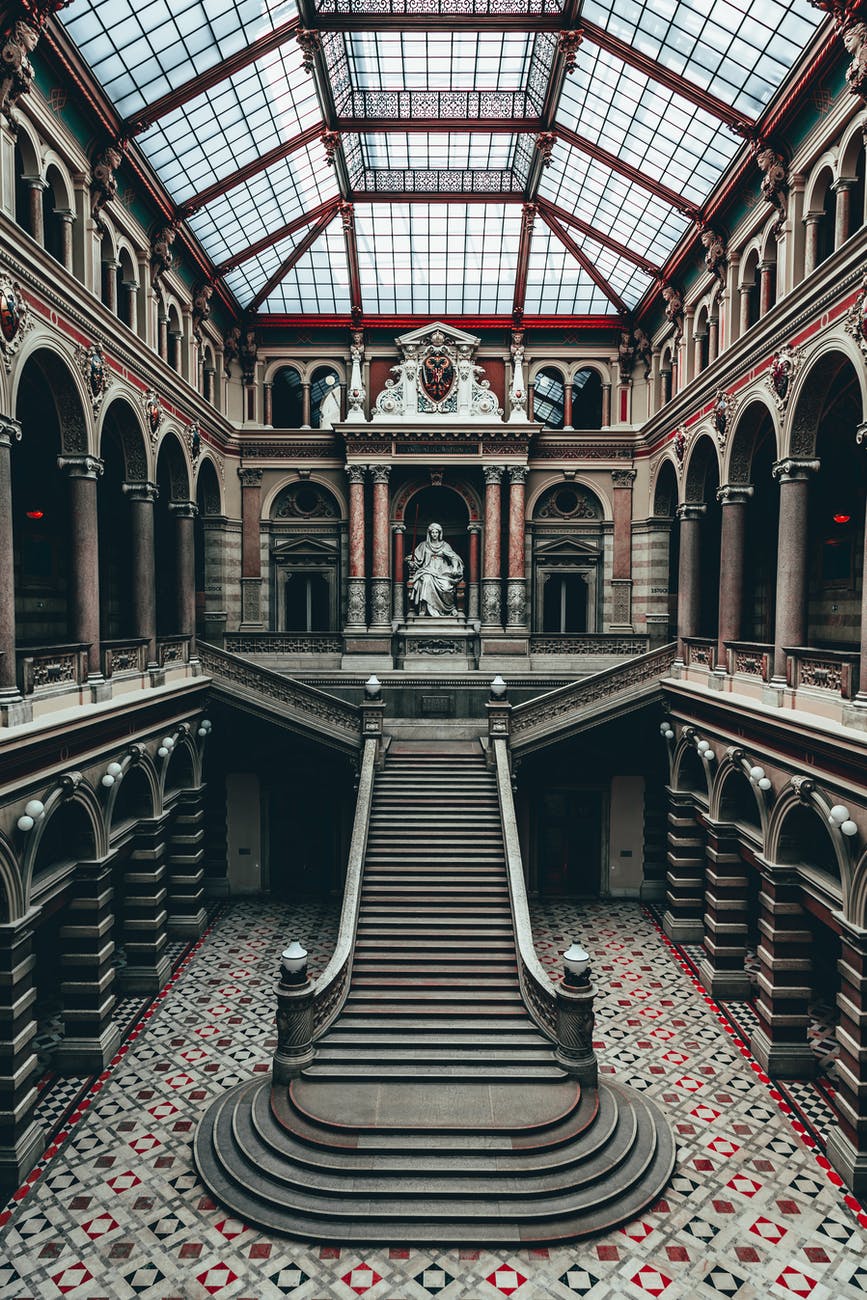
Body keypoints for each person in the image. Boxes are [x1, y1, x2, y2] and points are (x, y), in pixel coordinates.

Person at [407, 522, 463, 617]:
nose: (434, 534)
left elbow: (454, 558)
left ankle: (449, 608)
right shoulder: (423, 545)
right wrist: (411, 562)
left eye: (436, 532)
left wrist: (454, 567)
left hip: (443, 572)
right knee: (426, 580)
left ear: (439, 533)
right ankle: (424, 609)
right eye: (432, 532)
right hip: (428, 570)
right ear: (429, 533)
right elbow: (414, 558)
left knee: (446, 587)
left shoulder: (445, 545)